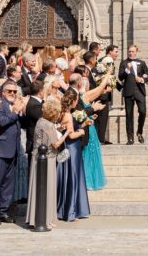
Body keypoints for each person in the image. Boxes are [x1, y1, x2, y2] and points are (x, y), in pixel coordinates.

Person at [26, 98, 69, 230]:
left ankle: (35, 217)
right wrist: (67, 132)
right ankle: (45, 219)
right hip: (47, 160)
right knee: (47, 188)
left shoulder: (41, 121)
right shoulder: (48, 125)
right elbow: (55, 144)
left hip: (36, 159)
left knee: (36, 188)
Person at [0, 81, 25, 224]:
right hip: (1, 150)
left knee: (8, 185)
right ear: (3, 92)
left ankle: (3, 211)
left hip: (13, 150)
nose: (12, 94)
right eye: (9, 91)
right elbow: (1, 122)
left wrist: (21, 111)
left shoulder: (14, 105)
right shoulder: (0, 105)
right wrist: (15, 112)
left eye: (15, 91)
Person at [56, 88, 91, 222]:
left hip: (67, 149)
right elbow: (71, 135)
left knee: (68, 178)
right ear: (74, 100)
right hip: (72, 148)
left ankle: (67, 209)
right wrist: (82, 131)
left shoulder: (62, 112)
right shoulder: (69, 115)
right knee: (73, 178)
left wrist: (83, 123)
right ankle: (70, 211)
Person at [118, 44, 148, 144]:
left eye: (132, 51)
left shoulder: (142, 62)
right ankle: (130, 138)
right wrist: (127, 69)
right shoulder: (124, 63)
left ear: (136, 51)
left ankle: (139, 132)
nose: (130, 53)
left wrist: (141, 79)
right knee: (129, 115)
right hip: (128, 91)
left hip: (139, 90)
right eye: (129, 51)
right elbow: (120, 77)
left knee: (143, 111)